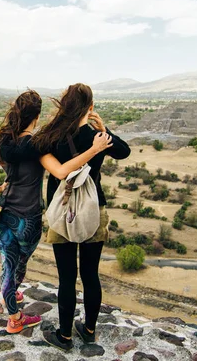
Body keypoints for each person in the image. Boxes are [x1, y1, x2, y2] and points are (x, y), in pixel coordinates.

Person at [0, 89, 112, 335]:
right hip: (29, 216)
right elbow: (62, 171)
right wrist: (93, 150)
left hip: (3, 211)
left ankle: (10, 301)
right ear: (36, 116)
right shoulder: (36, 145)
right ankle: (14, 314)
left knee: (7, 265)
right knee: (19, 265)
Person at [34, 83, 130, 352]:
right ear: (90, 108)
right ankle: (88, 331)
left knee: (67, 277)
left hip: (62, 211)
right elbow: (124, 151)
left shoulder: (50, 136)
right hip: (92, 209)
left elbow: (35, 150)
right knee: (90, 274)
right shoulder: (95, 137)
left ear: (64, 105)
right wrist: (104, 130)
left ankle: (64, 336)